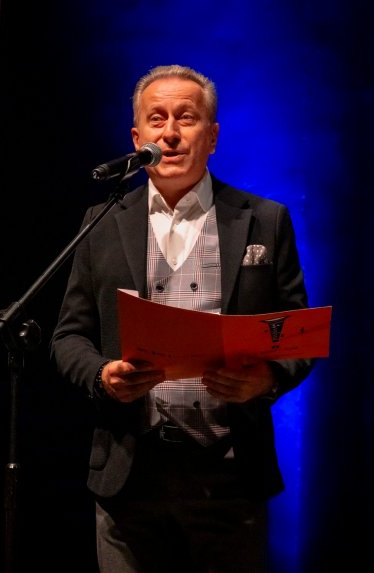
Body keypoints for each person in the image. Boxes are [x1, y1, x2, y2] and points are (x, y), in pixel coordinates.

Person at [51, 65, 315, 572]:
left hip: (229, 476)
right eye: (157, 119)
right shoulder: (101, 223)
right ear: (137, 138)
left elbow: (299, 333)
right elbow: (68, 337)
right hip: (130, 474)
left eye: (186, 118)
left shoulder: (264, 220)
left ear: (211, 137)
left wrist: (265, 379)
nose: (170, 132)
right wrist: (103, 376)